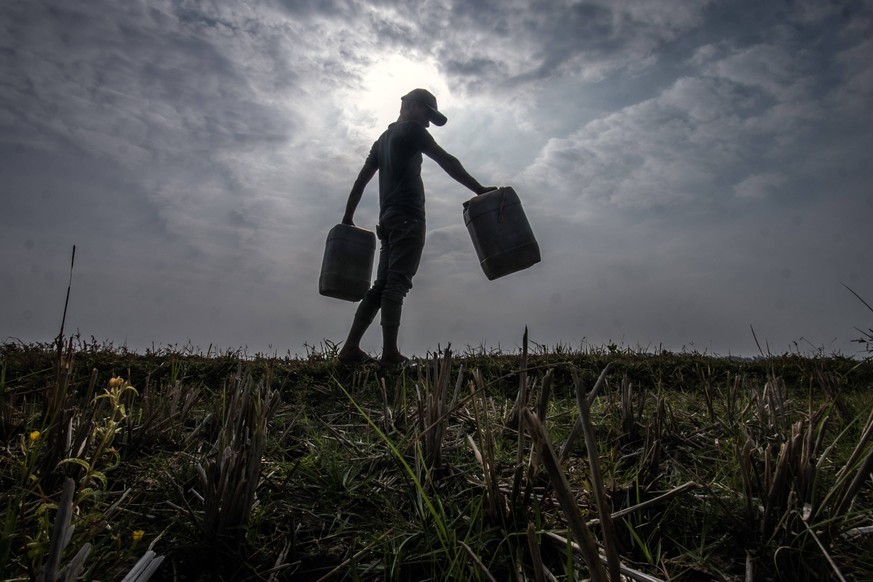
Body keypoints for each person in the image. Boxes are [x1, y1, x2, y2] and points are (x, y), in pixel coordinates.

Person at [337, 88, 495, 368]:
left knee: (381, 285)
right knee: (396, 284)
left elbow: (360, 182)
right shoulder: (411, 130)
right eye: (427, 114)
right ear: (409, 105)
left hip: (387, 221)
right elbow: (447, 161)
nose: (427, 123)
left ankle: (350, 347)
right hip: (408, 219)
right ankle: (390, 355)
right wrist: (479, 189)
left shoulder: (383, 140)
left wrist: (348, 217)